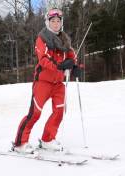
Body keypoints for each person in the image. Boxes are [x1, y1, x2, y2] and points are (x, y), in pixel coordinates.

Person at [12, 8, 82, 153]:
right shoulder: (42, 38)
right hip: (42, 82)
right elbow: (43, 60)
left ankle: (47, 140)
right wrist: (60, 66)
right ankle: (20, 143)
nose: (56, 24)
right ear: (47, 22)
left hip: (58, 83)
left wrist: (75, 66)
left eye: (58, 21)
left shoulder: (64, 40)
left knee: (59, 111)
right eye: (53, 21)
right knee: (35, 113)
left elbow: (71, 55)